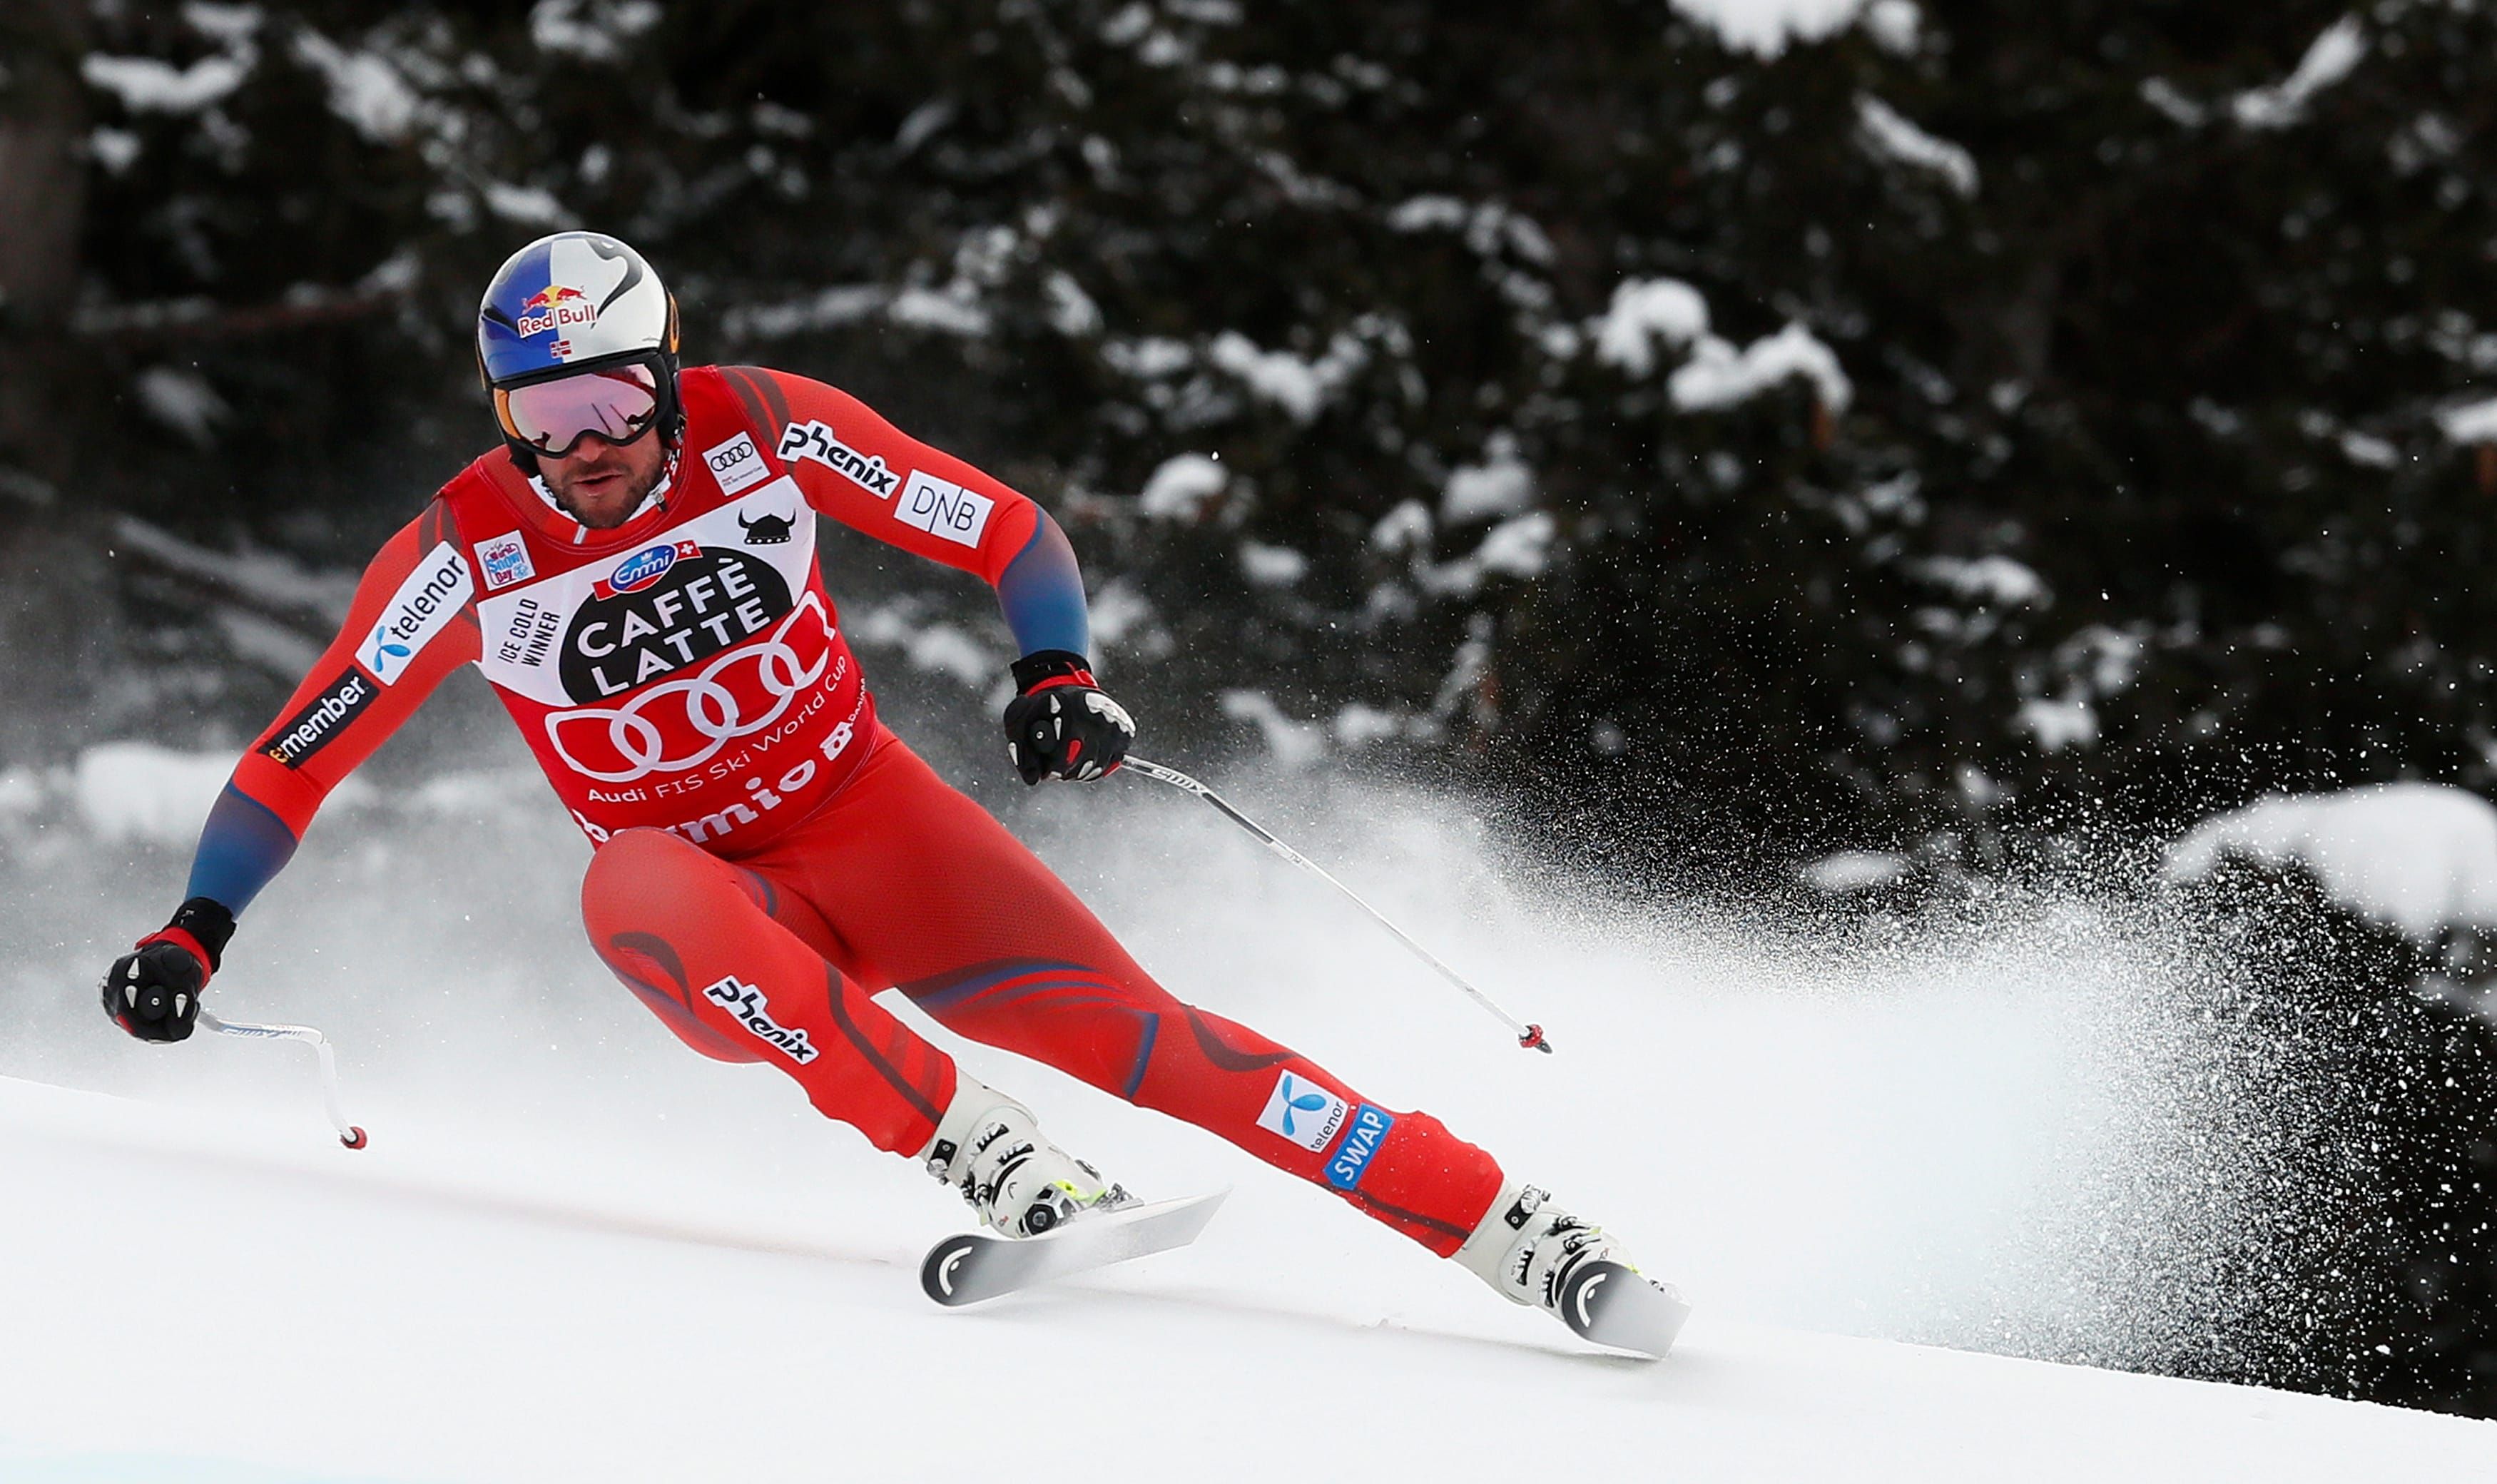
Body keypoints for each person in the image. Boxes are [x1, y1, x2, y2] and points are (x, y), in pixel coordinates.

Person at [98, 230, 1674, 1338]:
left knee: (1157, 1045)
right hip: (716, 911)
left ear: (664, 373)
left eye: (613, 402)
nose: (585, 445)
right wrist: (195, 931)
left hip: (877, 823)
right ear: (502, 414)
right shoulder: (461, 554)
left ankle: (1513, 1228)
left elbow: (1008, 531)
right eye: (542, 415)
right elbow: (293, 755)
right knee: (626, 876)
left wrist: (1054, 670)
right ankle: (990, 1153)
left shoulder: (762, 432)